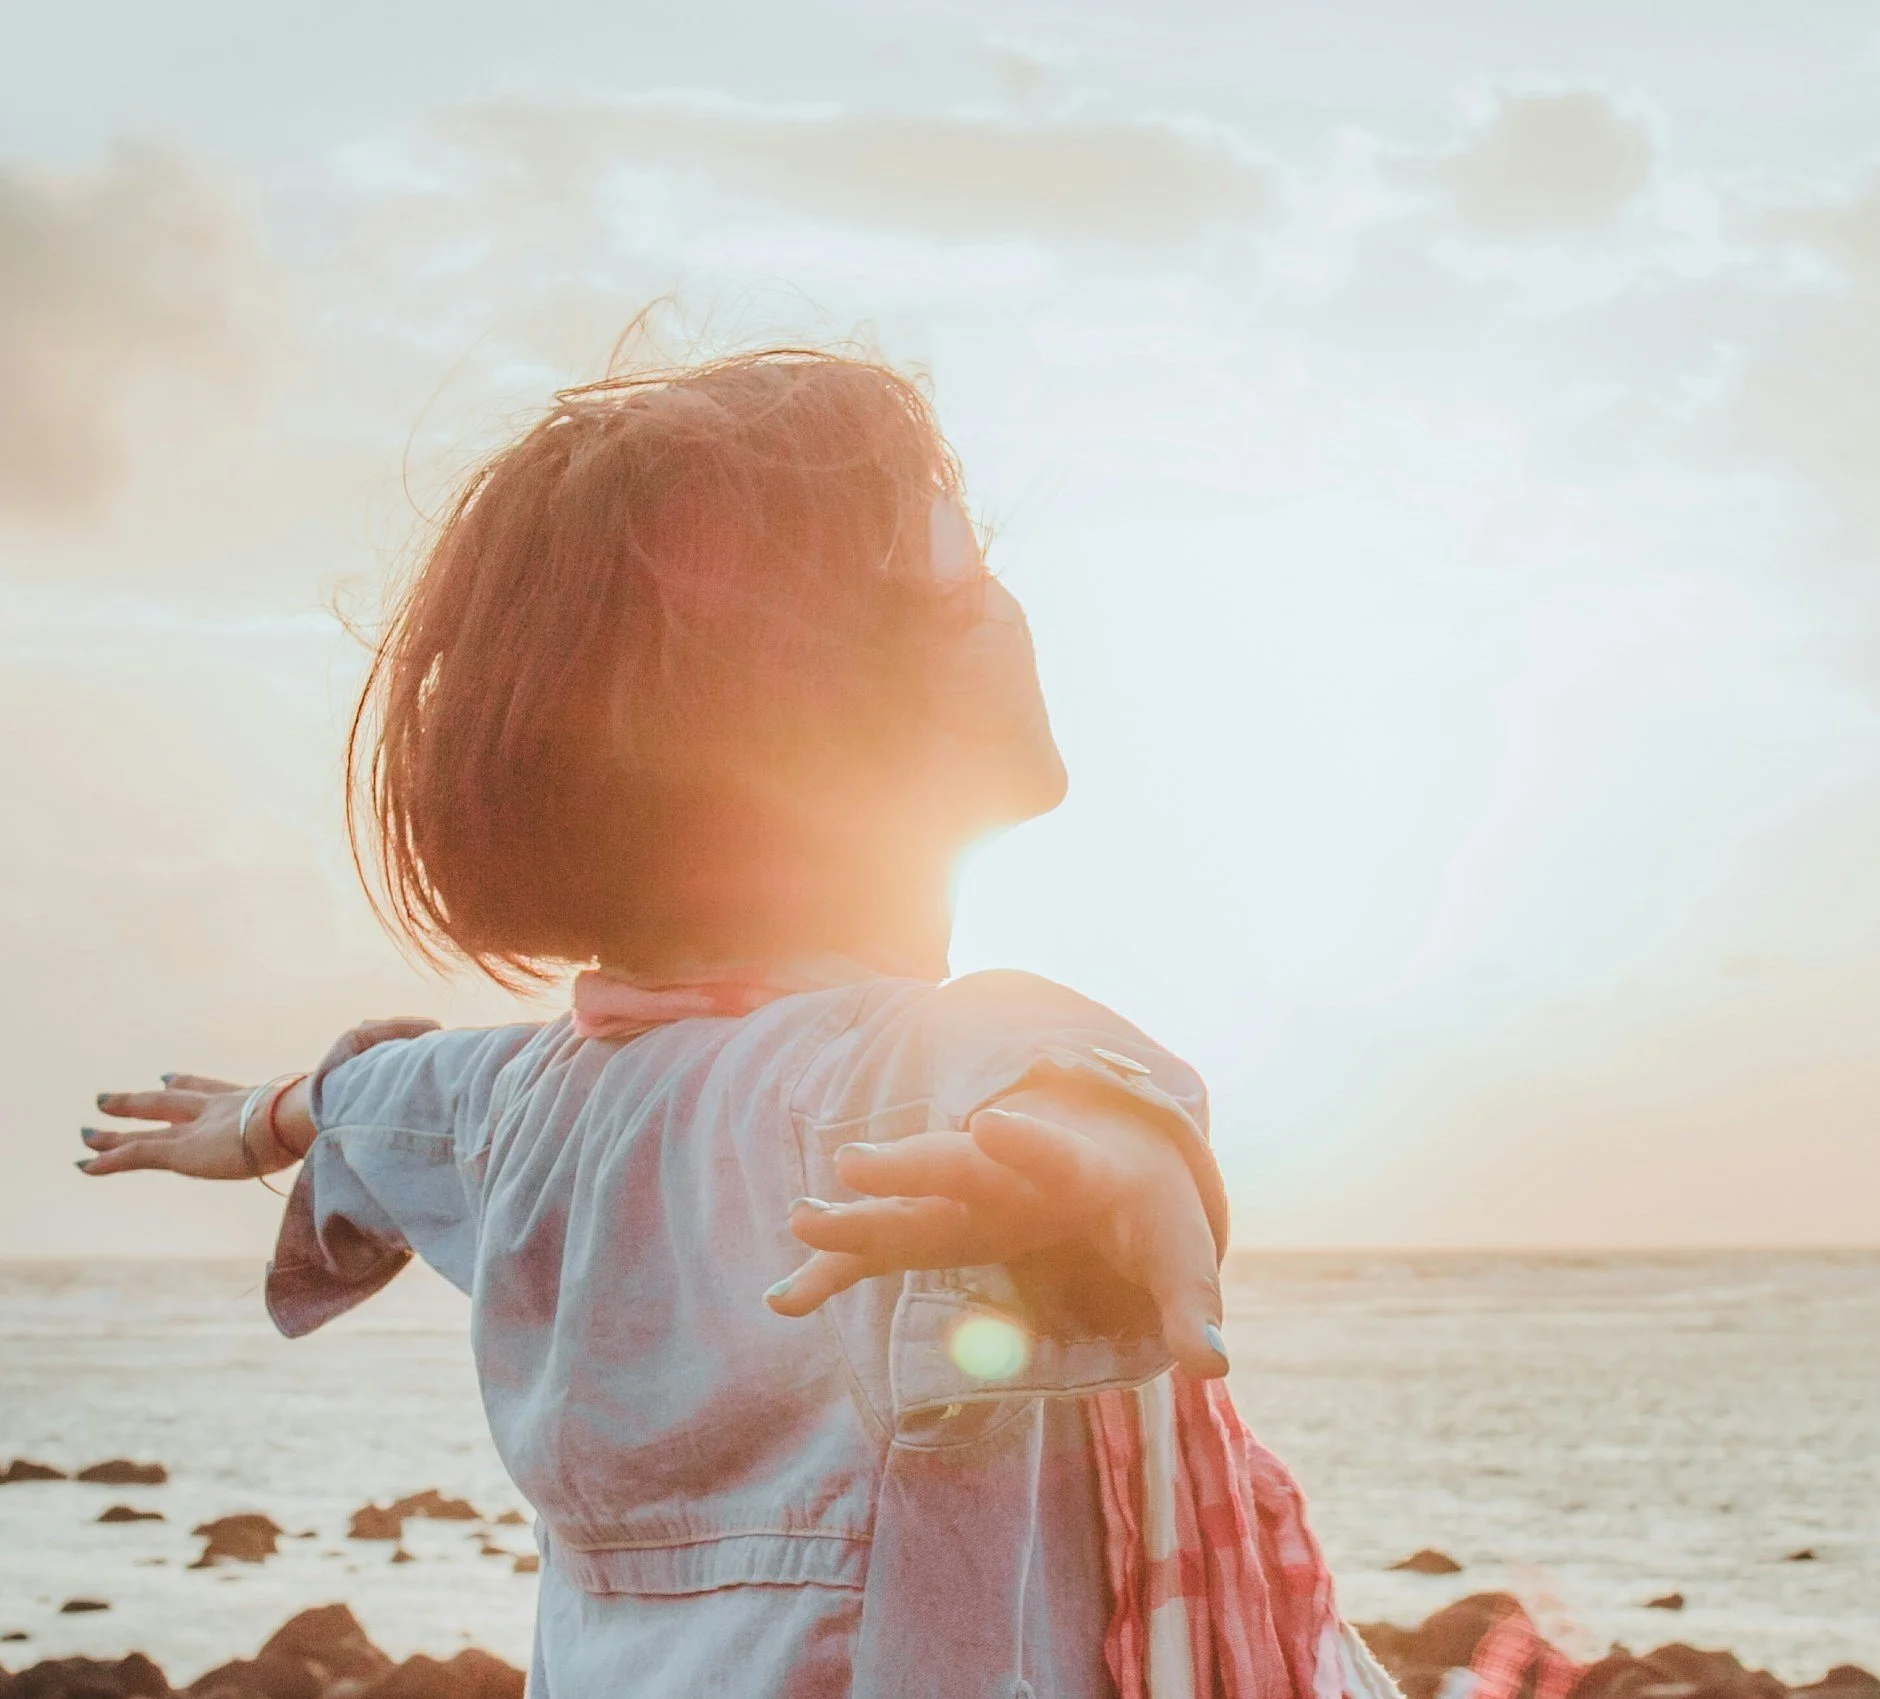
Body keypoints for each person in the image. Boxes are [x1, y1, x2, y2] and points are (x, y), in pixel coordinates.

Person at [79, 349, 1238, 1698]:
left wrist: (265, 1117)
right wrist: (1097, 1165)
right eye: (955, 563)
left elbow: (378, 1101)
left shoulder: (522, 1099)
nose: (1005, 600)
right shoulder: (895, 1072)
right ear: (812, 701)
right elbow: (1044, 1082)